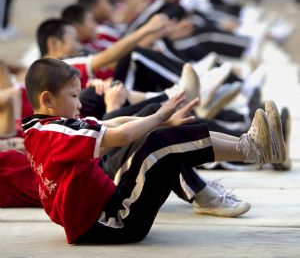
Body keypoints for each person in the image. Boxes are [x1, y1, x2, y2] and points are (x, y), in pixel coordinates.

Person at [22, 58, 285, 244]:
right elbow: (121, 135)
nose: (79, 103)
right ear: (47, 99)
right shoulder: (52, 133)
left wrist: (162, 120)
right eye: (73, 97)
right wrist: (159, 117)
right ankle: (253, 150)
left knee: (160, 133)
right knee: (161, 145)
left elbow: (110, 123)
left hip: (111, 208)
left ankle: (252, 146)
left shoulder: (48, 127)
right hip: (112, 222)